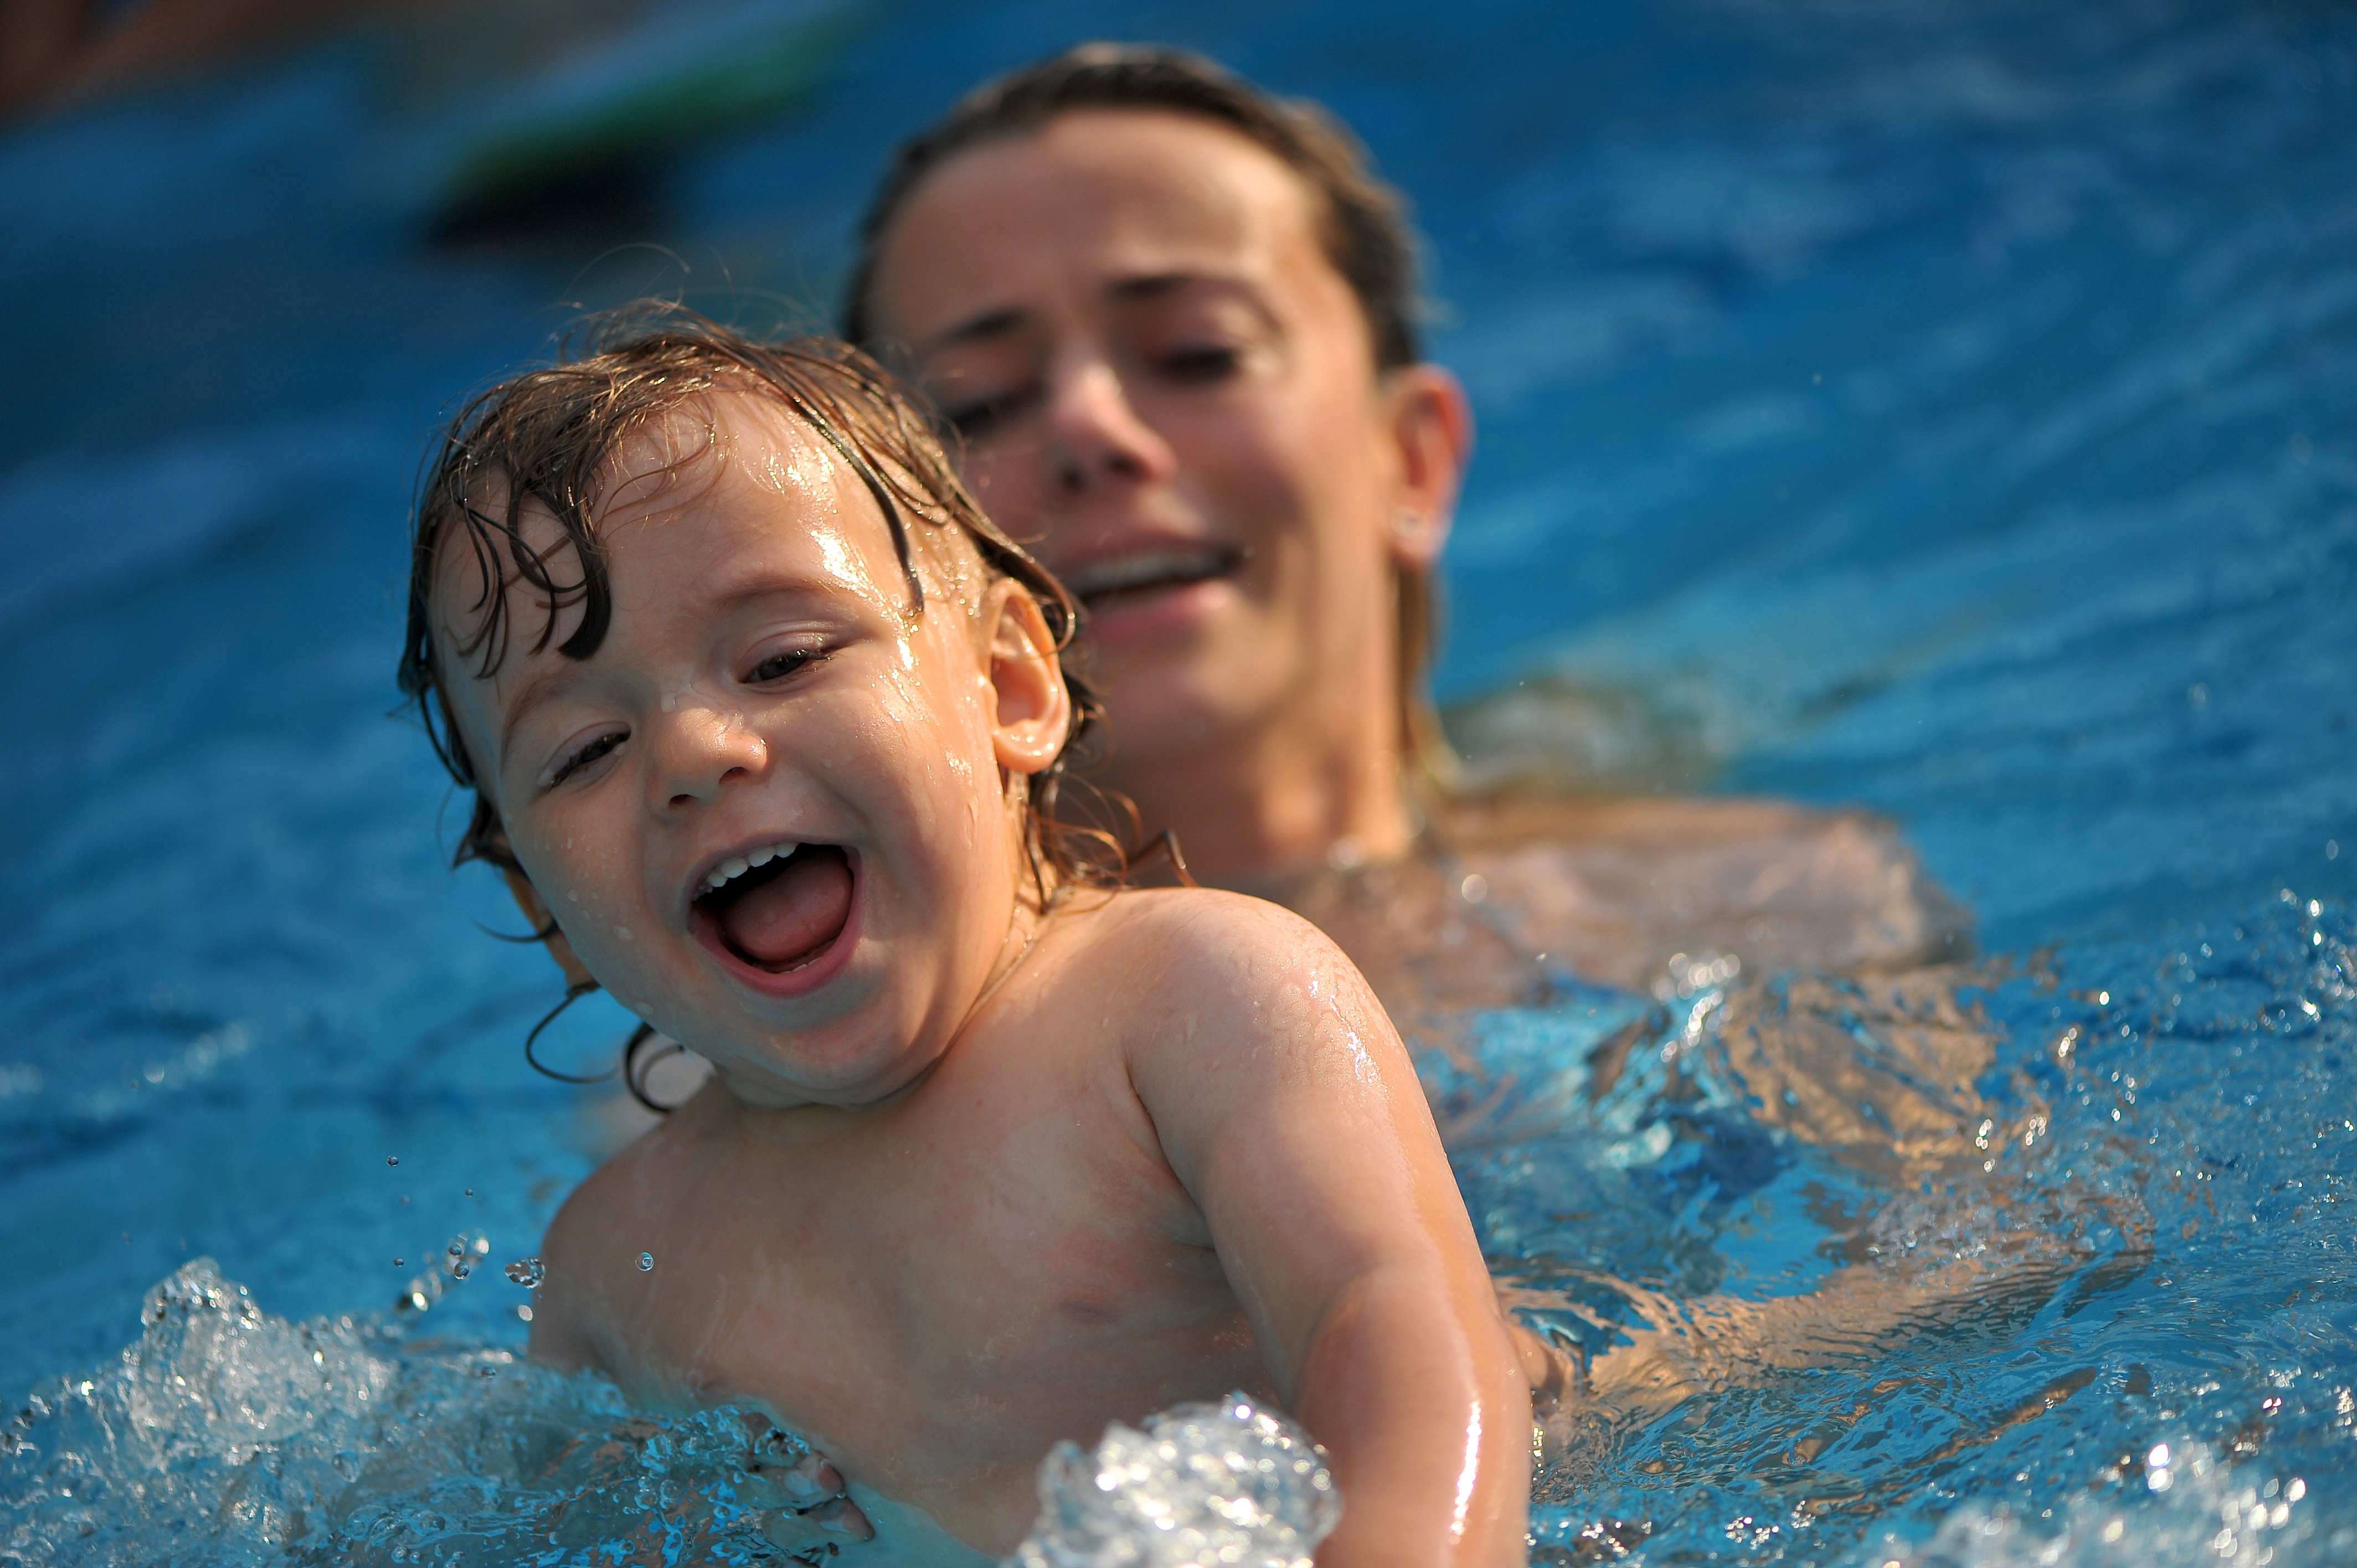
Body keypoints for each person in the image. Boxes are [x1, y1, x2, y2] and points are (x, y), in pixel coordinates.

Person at [395, 312, 1533, 1565]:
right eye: (585, 751)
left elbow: (1393, 1326)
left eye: (780, 659)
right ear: (545, 913)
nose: (693, 754)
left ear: (1009, 687)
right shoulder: (618, 1273)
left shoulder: (1190, 1003)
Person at [843, 45, 1968, 1032]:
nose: (1090, 432)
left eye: (1198, 352)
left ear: (1411, 460)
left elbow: (1989, 1269)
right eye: (978, 403)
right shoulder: (789, 1084)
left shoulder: (1776, 905)